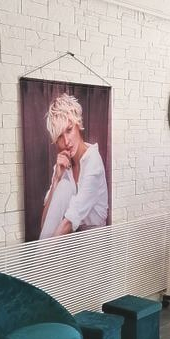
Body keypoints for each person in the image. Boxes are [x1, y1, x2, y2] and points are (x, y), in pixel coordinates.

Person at [39, 94, 108, 239]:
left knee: (64, 186)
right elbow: (45, 224)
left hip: (94, 241)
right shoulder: (63, 165)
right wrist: (56, 180)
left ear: (78, 124)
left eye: (69, 130)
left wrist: (45, 252)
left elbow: (69, 221)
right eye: (59, 136)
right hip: (69, 239)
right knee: (63, 185)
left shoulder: (93, 162)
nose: (66, 141)